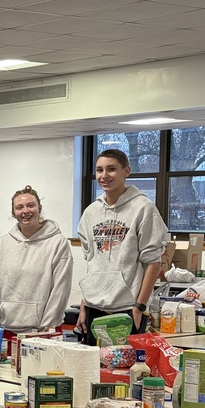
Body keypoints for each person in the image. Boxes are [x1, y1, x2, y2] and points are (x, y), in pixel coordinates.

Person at [76, 148, 167, 345]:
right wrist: (83, 306)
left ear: (126, 171)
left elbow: (153, 262)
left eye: (111, 169)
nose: (104, 176)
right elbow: (92, 263)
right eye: (99, 170)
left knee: (124, 365)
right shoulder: (91, 212)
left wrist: (139, 307)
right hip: (93, 307)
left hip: (127, 309)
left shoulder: (143, 208)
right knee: (92, 363)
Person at [0, 185, 74, 334]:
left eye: (31, 205)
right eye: (19, 207)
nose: (25, 211)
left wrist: (46, 329)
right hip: (5, 329)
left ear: (39, 208)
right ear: (13, 213)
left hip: (43, 330)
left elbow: (60, 290)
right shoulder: (1, 244)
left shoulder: (57, 243)